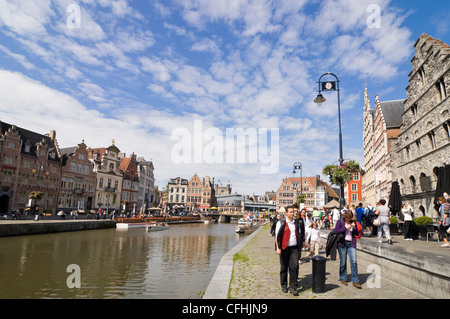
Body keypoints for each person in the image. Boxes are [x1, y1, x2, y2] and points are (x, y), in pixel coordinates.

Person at [275, 206, 306, 295]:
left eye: (293, 212)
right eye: (291, 212)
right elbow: (277, 236)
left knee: (294, 267)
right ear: (286, 213)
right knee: (284, 267)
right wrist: (278, 248)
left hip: (294, 248)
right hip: (284, 248)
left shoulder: (297, 223)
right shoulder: (281, 222)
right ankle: (284, 285)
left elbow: (299, 234)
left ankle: (293, 287)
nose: (293, 214)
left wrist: (302, 243)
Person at [334, 210, 361, 288]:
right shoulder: (340, 221)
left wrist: (354, 228)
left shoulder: (353, 222)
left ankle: (355, 280)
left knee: (354, 262)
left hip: (351, 243)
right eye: (347, 218)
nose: (349, 219)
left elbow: (356, 234)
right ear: (345, 217)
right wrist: (345, 228)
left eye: (350, 218)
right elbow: (336, 231)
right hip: (342, 244)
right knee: (343, 262)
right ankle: (343, 278)